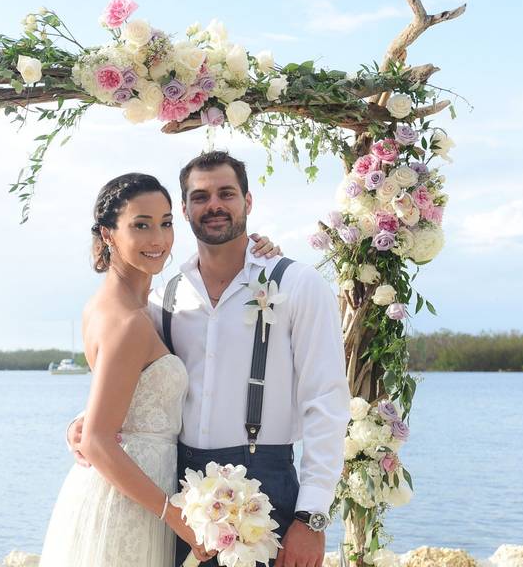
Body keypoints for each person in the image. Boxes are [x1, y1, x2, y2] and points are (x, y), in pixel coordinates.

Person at [68, 152, 351, 567]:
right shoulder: (166, 296)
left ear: (248, 202)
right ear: (184, 210)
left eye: (226, 194)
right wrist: (82, 423)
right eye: (200, 197)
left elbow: (326, 403)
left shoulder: (296, 284)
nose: (214, 205)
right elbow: (135, 378)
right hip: (178, 492)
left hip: (267, 483)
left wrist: (312, 517)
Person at [38, 172, 282, 567]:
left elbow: (118, 405)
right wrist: (177, 517)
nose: (158, 239)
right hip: (127, 505)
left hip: (139, 494)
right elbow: (99, 441)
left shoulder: (135, 309)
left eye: (166, 223)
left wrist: (256, 254)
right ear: (108, 234)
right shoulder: (127, 321)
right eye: (141, 225)